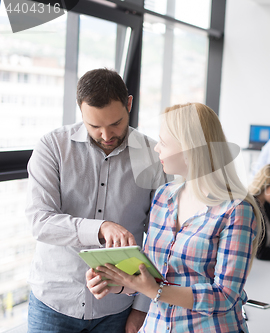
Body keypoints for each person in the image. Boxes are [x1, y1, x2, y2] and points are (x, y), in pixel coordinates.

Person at [86, 103, 264, 332]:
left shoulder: (236, 210)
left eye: (164, 142)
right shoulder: (163, 196)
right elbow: (154, 275)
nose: (157, 148)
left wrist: (154, 291)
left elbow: (225, 296)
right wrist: (119, 282)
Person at [26, 68, 166, 332]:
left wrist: (142, 309)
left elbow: (161, 237)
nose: (106, 135)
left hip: (118, 308)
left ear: (129, 104)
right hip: (54, 304)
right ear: (81, 111)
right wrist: (99, 228)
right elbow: (39, 221)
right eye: (94, 126)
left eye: (115, 123)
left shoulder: (152, 155)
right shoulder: (52, 147)